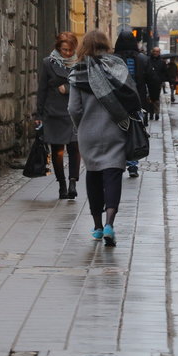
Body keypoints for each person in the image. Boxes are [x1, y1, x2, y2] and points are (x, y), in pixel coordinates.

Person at [69, 30, 143, 247]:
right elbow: (132, 96)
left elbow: (73, 108)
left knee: (93, 176)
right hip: (115, 129)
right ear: (106, 45)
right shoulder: (117, 67)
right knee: (112, 176)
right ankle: (110, 223)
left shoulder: (78, 71)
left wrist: (80, 127)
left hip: (88, 133)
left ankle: (98, 227)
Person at [35, 31, 81, 200]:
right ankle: (61, 183)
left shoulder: (80, 63)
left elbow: (85, 84)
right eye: (64, 50)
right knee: (58, 151)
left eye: (70, 50)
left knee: (75, 148)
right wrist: (38, 113)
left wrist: (68, 88)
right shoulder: (48, 63)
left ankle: (73, 182)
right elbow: (42, 89)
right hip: (54, 112)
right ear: (58, 48)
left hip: (74, 112)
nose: (67, 53)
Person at [113, 30, 151, 177]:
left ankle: (118, 162)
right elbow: (151, 80)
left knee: (118, 132)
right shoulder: (142, 59)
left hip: (117, 102)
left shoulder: (112, 59)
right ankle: (133, 165)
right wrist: (153, 98)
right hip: (137, 102)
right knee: (134, 132)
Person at [147, 47, 167, 120]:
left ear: (159, 52)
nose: (155, 53)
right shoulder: (148, 60)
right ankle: (151, 113)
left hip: (157, 83)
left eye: (157, 51)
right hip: (149, 82)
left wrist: (161, 80)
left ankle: (157, 113)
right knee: (150, 98)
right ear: (152, 52)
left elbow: (164, 72)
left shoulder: (162, 62)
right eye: (154, 51)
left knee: (156, 98)